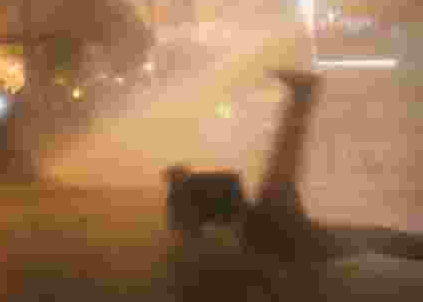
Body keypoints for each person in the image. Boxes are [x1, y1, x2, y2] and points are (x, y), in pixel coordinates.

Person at [165, 70, 423, 263]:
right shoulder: (188, 194)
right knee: (284, 167)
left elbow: (204, 221)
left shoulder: (186, 197)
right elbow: (228, 190)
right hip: (265, 229)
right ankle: (302, 93)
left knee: (370, 237)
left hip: (262, 230)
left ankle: (302, 94)